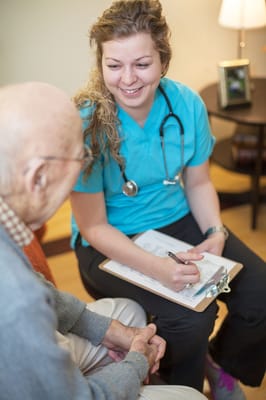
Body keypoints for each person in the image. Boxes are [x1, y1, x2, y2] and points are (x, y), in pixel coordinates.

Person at [70, 0, 266, 399]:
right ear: (100, 63)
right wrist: (158, 269)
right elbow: (93, 225)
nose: (127, 79)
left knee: (260, 290)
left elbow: (197, 184)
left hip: (179, 220)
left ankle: (220, 363)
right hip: (109, 239)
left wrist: (215, 231)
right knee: (192, 318)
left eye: (142, 64)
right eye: (114, 65)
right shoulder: (87, 123)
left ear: (163, 60)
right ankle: (181, 391)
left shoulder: (186, 104)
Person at [0, 81, 207, 400]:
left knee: (128, 313)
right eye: (80, 157)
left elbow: (41, 290)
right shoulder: (18, 301)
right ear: (38, 177)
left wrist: (114, 333)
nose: (86, 165)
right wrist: (137, 363)